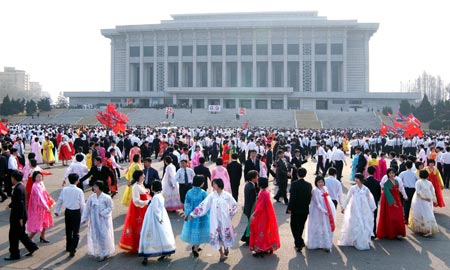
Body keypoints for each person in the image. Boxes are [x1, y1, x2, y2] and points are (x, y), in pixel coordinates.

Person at [189, 178, 238, 263]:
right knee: (216, 236)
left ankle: (226, 247)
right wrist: (194, 214)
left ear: (219, 184)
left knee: (224, 235)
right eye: (213, 184)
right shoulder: (211, 196)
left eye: (214, 184)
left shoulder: (227, 195)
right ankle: (221, 254)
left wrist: (230, 214)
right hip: (214, 220)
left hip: (225, 220)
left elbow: (234, 205)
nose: (213, 185)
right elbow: (203, 205)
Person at [139, 180, 176, 265]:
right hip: (161, 216)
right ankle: (165, 251)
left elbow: (156, 210)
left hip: (153, 219)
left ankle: (146, 255)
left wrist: (159, 219)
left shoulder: (156, 197)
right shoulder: (160, 195)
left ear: (153, 188)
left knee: (149, 235)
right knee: (161, 235)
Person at [4, 171, 39, 261]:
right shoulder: (21, 186)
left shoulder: (18, 188)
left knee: (13, 236)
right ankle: (31, 247)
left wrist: (20, 218)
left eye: (12, 178)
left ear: (14, 179)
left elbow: (20, 203)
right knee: (20, 234)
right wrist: (10, 205)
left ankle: (14, 254)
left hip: (18, 216)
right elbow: (17, 201)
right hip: (21, 215)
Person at [338, 173, 377, 250]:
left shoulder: (365, 189)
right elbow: (348, 198)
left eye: (357, 178)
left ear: (361, 179)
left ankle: (363, 240)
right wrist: (343, 207)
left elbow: (370, 198)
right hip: (355, 209)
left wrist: (373, 208)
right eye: (355, 178)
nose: (356, 180)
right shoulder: (353, 188)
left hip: (364, 209)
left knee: (364, 223)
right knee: (355, 223)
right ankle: (354, 240)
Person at [81, 181, 115, 262]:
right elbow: (87, 208)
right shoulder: (91, 197)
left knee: (104, 235)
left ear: (100, 187)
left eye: (96, 186)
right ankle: (98, 250)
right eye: (94, 186)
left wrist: (103, 213)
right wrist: (84, 218)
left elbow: (111, 207)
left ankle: (105, 252)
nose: (94, 188)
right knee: (95, 235)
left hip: (103, 220)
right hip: (94, 220)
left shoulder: (106, 197)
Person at [119, 170, 151, 253]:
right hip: (138, 210)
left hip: (144, 208)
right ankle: (138, 245)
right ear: (138, 177)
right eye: (142, 175)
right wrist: (147, 202)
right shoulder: (135, 187)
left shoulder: (141, 184)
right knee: (138, 227)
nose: (144, 176)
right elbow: (136, 201)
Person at [54, 173, 85, 257]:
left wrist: (57, 210)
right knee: (76, 232)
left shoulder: (64, 189)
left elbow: (60, 200)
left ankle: (68, 246)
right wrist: (84, 215)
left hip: (68, 211)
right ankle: (73, 248)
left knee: (68, 230)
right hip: (76, 212)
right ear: (76, 181)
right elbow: (82, 204)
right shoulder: (79, 191)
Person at [249, 177, 280, 257]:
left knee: (260, 231)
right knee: (266, 231)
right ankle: (267, 247)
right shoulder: (265, 191)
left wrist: (254, 214)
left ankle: (260, 249)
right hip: (266, 214)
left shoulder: (263, 193)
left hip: (262, 215)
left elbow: (260, 206)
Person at [181, 175, 210, 257]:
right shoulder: (203, 192)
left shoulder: (189, 192)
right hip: (201, 216)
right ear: (201, 183)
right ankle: (195, 248)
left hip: (191, 215)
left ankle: (195, 246)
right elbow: (207, 204)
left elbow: (186, 204)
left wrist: (187, 214)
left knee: (194, 230)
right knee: (200, 230)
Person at [305, 175, 336, 252]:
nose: (320, 183)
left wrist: (330, 210)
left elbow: (329, 200)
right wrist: (325, 211)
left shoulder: (325, 188)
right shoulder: (315, 191)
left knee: (325, 226)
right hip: (317, 211)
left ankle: (325, 243)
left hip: (325, 210)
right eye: (319, 182)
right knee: (317, 225)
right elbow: (318, 203)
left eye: (322, 182)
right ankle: (316, 243)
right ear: (316, 183)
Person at [377, 168, 407, 240]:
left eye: (393, 173)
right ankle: (388, 232)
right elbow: (385, 191)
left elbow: (401, 189)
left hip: (397, 199)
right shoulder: (387, 182)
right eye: (390, 173)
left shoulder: (397, 181)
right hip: (388, 201)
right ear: (388, 174)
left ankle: (398, 232)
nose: (391, 174)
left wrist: (405, 196)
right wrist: (393, 203)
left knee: (398, 216)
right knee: (389, 216)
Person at [287, 167, 312, 252]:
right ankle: (299, 241)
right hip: (304, 209)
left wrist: (289, 208)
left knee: (293, 225)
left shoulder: (294, 184)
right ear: (305, 175)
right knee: (301, 226)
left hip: (295, 209)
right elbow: (310, 197)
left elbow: (292, 198)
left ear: (297, 174)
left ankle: (298, 242)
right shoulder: (309, 185)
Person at [408, 170, 439, 237]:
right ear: (427, 175)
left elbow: (418, 192)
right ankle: (428, 229)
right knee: (428, 213)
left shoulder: (418, 182)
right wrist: (434, 200)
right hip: (428, 199)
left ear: (420, 175)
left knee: (419, 213)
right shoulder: (429, 183)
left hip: (419, 200)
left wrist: (424, 198)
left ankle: (424, 229)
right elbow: (433, 192)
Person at [27, 171, 55, 243]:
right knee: (38, 225)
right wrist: (46, 207)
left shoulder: (40, 184)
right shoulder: (35, 186)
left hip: (42, 207)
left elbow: (45, 195)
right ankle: (28, 240)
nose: (39, 178)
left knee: (44, 222)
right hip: (38, 208)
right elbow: (40, 198)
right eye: (38, 177)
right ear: (34, 178)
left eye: (40, 176)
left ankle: (42, 237)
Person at [241, 170, 258, 245]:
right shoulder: (251, 187)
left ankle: (246, 237)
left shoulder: (248, 185)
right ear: (252, 178)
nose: (257, 178)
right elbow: (253, 200)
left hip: (247, 208)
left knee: (249, 223)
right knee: (250, 224)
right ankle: (247, 238)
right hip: (250, 208)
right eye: (256, 177)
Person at [364, 166, 382, 237]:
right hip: (374, 201)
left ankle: (366, 231)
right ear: (374, 172)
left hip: (366, 201)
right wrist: (377, 200)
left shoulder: (364, 181)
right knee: (373, 217)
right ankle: (373, 232)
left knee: (365, 216)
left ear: (367, 172)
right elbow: (379, 193)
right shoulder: (377, 182)